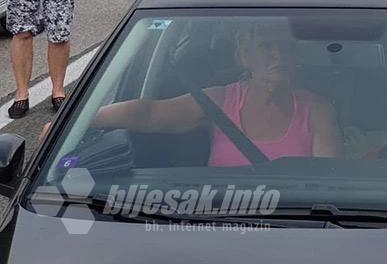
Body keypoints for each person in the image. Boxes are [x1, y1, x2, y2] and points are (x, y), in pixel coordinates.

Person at [93, 20, 342, 165]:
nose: (278, 55)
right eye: (266, 46)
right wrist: (83, 120)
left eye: (285, 47)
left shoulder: (317, 110)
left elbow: (329, 183)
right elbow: (148, 113)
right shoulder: (220, 101)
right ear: (244, 57)